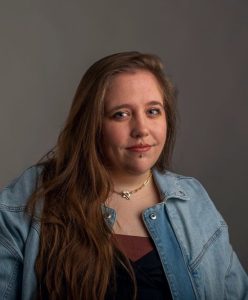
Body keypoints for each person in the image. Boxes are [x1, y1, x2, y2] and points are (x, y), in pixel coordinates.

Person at [0, 51, 247, 300]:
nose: (141, 129)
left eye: (153, 111)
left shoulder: (192, 201)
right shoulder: (34, 196)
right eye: (121, 114)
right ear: (92, 123)